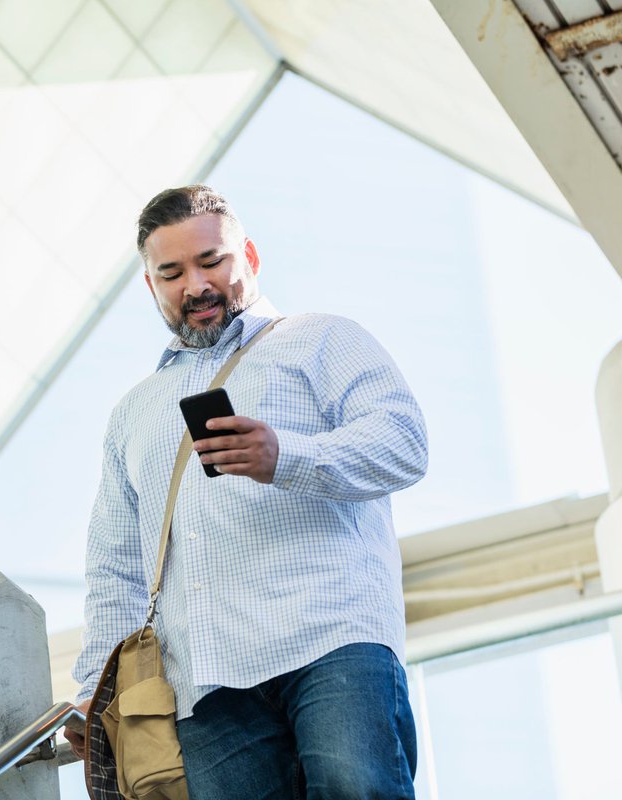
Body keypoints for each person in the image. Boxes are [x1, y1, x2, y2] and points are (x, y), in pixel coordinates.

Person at [65, 185, 428, 799]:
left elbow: (403, 442)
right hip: (205, 678)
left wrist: (285, 456)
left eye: (212, 262)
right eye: (172, 272)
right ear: (151, 286)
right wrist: (94, 691)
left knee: (354, 789)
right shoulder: (133, 415)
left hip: (329, 637)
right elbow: (116, 566)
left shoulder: (321, 339)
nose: (195, 286)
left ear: (250, 257)